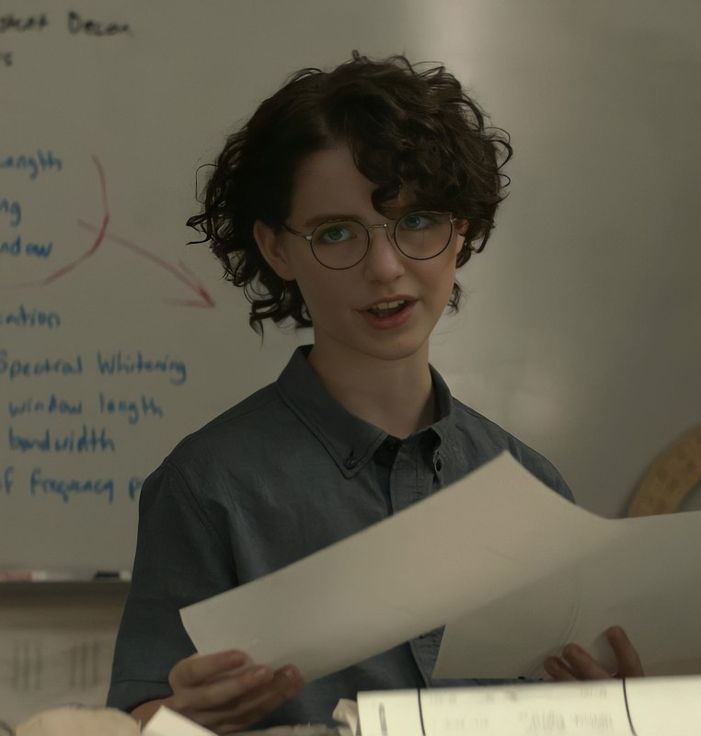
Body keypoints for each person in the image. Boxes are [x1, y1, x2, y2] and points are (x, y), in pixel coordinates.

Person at [107, 51, 642, 733]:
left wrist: (622, 709)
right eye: (336, 233)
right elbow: (138, 718)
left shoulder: (530, 485)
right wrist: (174, 718)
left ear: (462, 229)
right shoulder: (209, 486)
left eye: (417, 222)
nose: (384, 269)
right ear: (276, 250)